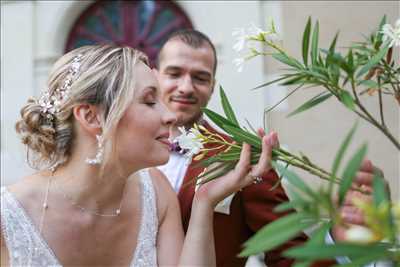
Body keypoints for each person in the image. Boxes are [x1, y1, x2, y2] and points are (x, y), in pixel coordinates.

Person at [0, 45, 277, 266]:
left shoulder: (157, 193)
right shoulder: (8, 219)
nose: (169, 116)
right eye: (148, 101)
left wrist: (204, 202)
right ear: (90, 116)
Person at [156, 29, 383, 267]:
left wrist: (340, 240)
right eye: (174, 73)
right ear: (155, 76)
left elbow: (289, 253)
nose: (186, 87)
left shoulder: (244, 160)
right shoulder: (123, 153)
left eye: (200, 78)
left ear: (213, 86)